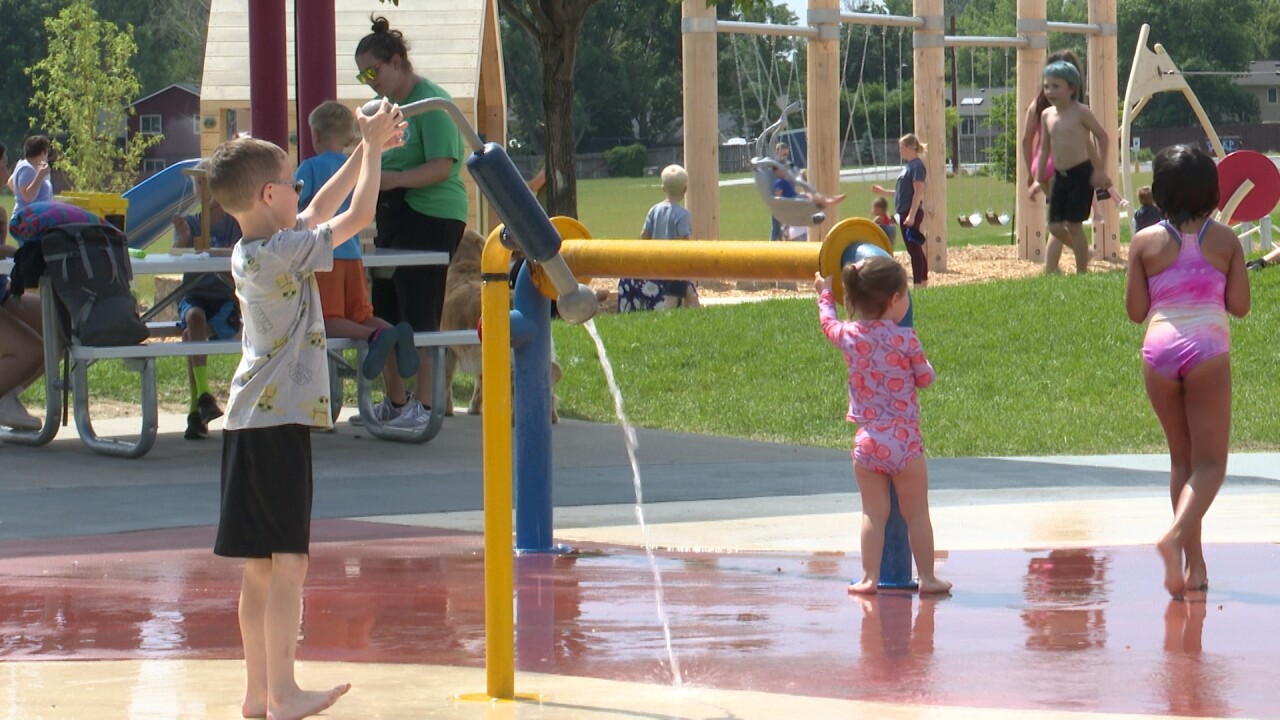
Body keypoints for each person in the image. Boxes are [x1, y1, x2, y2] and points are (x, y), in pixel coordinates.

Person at [204, 99, 402, 719]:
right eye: (291, 183)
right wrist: (369, 152)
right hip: (279, 421)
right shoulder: (283, 254)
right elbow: (359, 215)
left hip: (248, 423)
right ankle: (284, 692)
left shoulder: (257, 249)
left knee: (258, 569)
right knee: (289, 560)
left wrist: (361, 149)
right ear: (268, 195)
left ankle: (256, 693)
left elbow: (318, 210)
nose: (300, 191)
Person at [1124, 144, 1249, 598]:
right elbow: (1240, 307)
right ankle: (1176, 538)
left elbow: (1137, 311)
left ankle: (1192, 568)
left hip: (1159, 351)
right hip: (1208, 350)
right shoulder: (1226, 241)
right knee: (1211, 463)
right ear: (1213, 193)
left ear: (1158, 194)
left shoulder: (1144, 242)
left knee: (1181, 460)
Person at [355, 16, 468, 424]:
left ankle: (424, 403)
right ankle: (397, 402)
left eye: (374, 70)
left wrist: (395, 180)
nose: (369, 80)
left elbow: (442, 166)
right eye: (362, 73)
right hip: (396, 214)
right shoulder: (389, 110)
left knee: (419, 310)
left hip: (432, 214)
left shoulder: (430, 102)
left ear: (398, 62)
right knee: (385, 308)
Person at [814, 257, 950, 595]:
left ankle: (868, 578)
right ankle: (929, 578)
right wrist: (927, 367)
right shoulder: (906, 339)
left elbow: (828, 323)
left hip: (868, 441)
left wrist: (824, 293)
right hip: (904, 441)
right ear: (894, 299)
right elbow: (925, 378)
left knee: (873, 514)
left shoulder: (850, 335)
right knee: (916, 513)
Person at [296, 100, 422, 428]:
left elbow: (305, 210)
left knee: (327, 318)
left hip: (323, 255)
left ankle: (374, 339)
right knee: (362, 315)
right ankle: (388, 331)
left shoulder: (309, 168)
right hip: (353, 252)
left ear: (316, 134)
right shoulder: (359, 162)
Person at [1028, 61, 1111, 275]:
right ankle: (1085, 251)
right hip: (1060, 175)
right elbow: (1044, 148)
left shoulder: (1081, 112)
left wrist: (1100, 169)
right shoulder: (1047, 114)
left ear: (1072, 88)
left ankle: (1081, 270)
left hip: (1081, 175)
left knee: (1074, 225)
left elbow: (1102, 137)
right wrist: (1037, 179)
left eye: (1056, 86)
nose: (1050, 91)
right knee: (1054, 226)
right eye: (1047, 87)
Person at [171, 199, 243, 440]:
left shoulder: (234, 224)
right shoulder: (191, 222)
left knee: (190, 337)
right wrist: (183, 237)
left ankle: (195, 410)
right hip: (195, 294)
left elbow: (243, 251)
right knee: (193, 318)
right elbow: (177, 251)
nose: (211, 200)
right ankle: (204, 396)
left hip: (224, 300)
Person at [618, 164, 700, 311]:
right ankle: (678, 313)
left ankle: (691, 311)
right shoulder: (683, 215)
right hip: (675, 265)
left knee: (687, 289)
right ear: (685, 190)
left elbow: (644, 235)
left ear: (663, 188)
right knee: (679, 293)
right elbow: (683, 240)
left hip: (656, 263)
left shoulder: (654, 210)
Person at [1020, 50, 1085, 193]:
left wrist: (1031, 173)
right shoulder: (1075, 106)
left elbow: (1026, 140)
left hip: (1041, 166)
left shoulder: (1038, 103)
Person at [871, 134, 928, 286]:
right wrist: (883, 192)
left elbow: (918, 191)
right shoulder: (909, 166)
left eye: (902, 147)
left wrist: (911, 215)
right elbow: (902, 192)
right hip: (905, 212)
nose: (900, 151)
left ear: (910, 148)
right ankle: (922, 282)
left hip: (910, 212)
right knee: (915, 250)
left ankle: (919, 284)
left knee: (914, 250)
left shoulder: (916, 166)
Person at [772, 164, 846, 242]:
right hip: (794, 208)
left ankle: (830, 199)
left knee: (811, 196)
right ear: (777, 171)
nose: (786, 171)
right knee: (810, 196)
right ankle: (830, 200)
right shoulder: (780, 182)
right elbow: (778, 198)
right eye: (783, 169)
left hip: (797, 221)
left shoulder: (786, 182)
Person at [10, 136, 55, 224]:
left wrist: (20, 196)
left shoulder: (27, 166)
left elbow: (10, 182)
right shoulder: (26, 168)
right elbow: (28, 197)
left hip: (36, 218)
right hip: (28, 221)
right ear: (43, 152)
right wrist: (40, 176)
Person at [770, 142, 798, 241]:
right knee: (777, 228)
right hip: (779, 201)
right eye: (783, 154)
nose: (785, 157)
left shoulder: (789, 165)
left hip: (788, 200)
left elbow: (795, 177)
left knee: (787, 228)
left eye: (787, 154)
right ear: (776, 153)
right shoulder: (773, 166)